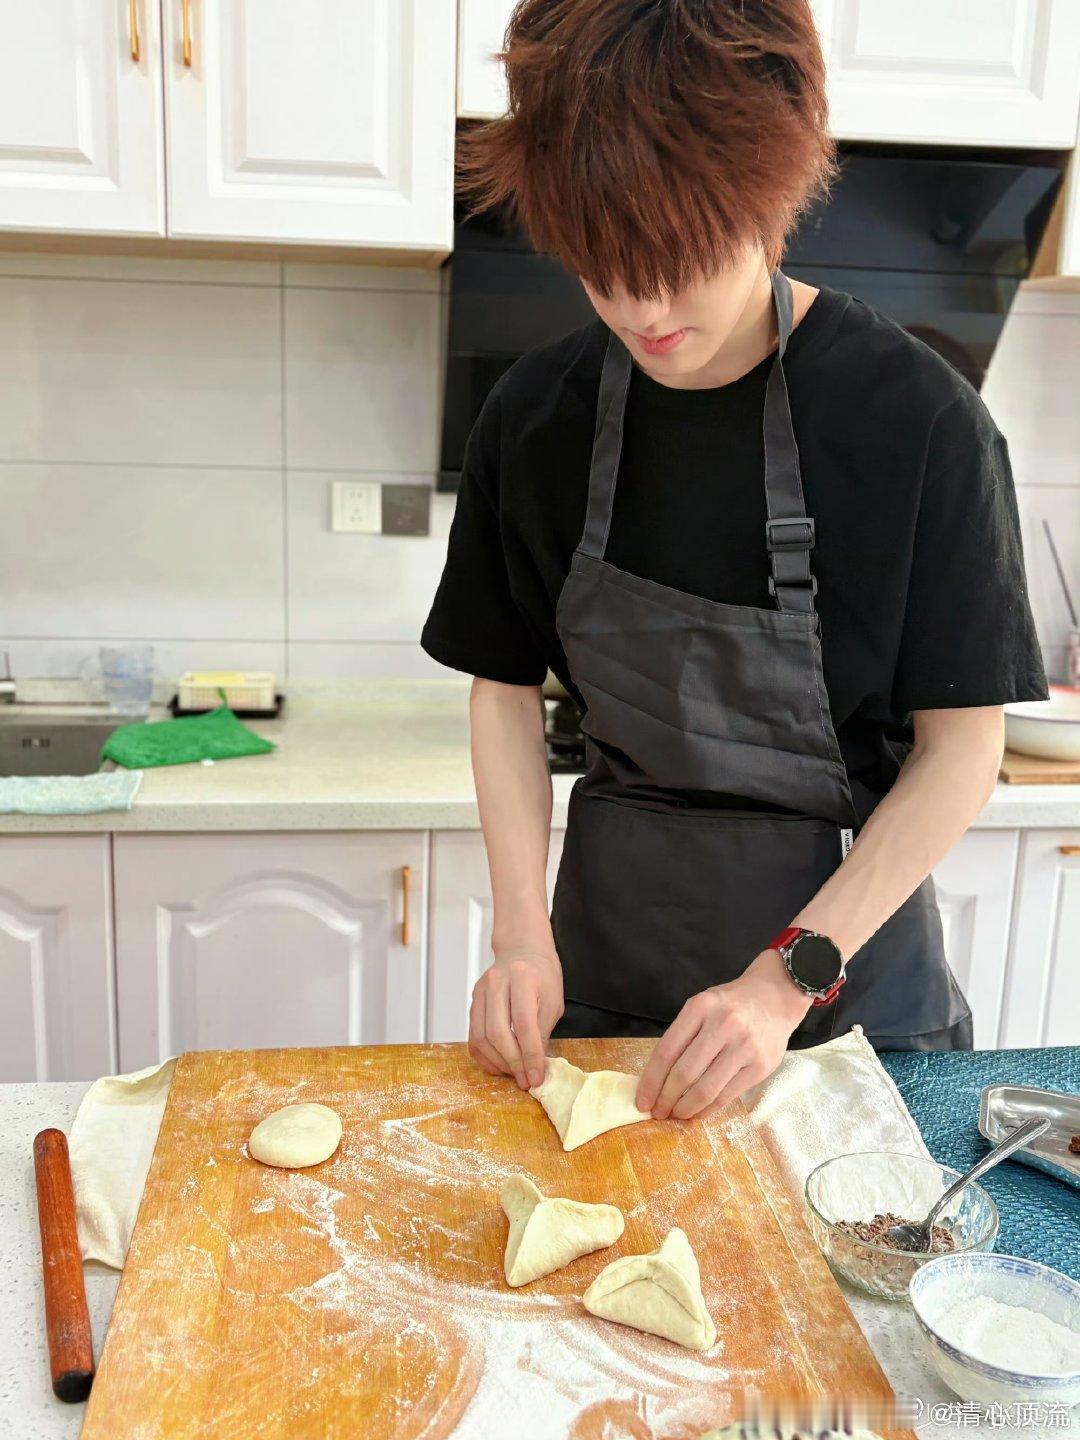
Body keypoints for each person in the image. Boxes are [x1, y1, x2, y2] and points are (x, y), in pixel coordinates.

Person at [421, 0, 1047, 1123]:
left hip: (846, 1007)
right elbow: (504, 690)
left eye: (677, 256)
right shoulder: (536, 418)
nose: (641, 306)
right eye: (601, 264)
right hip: (605, 992)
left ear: (768, 193)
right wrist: (520, 935)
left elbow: (963, 751)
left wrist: (781, 983)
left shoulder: (919, 422)